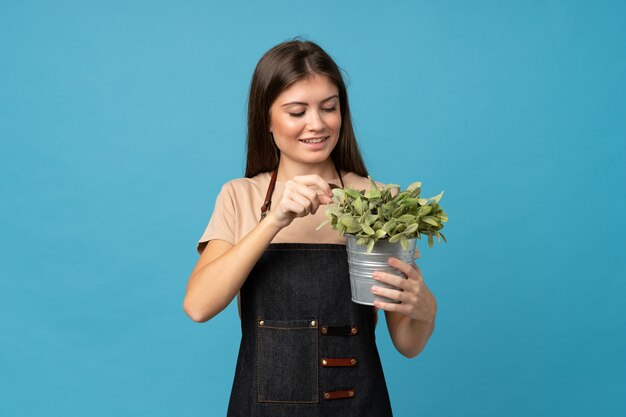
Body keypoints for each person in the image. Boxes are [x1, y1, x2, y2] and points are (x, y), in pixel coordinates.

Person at [183, 38, 438, 417]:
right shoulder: (241, 197)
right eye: (297, 111)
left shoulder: (380, 200)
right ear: (266, 119)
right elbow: (198, 306)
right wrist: (273, 220)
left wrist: (426, 307)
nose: (316, 124)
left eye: (329, 108)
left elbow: (407, 343)